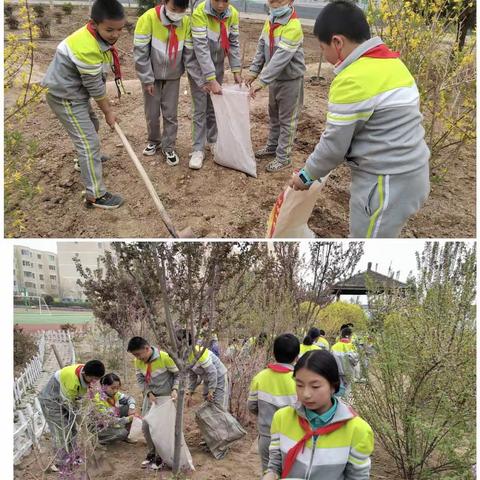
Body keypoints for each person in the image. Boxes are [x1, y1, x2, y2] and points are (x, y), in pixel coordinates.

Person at [289, 0, 430, 238]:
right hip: (413, 174)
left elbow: (334, 146)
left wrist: (306, 175)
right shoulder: (394, 64)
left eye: (323, 49)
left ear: (337, 42)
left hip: (386, 184)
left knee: (367, 241)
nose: (326, 56)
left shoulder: (353, 78)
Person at [41, 0, 126, 209]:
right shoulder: (86, 46)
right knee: (89, 143)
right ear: (94, 23)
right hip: (65, 96)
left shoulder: (95, 36)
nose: (115, 35)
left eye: (120, 29)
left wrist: (104, 113)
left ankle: (84, 162)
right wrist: (108, 111)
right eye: (110, 30)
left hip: (76, 93)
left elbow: (95, 82)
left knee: (92, 125)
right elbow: (96, 88)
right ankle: (95, 195)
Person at [263, 350, 373, 479]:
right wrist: (271, 475)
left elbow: (357, 477)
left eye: (315, 386)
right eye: (299, 385)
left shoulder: (358, 430)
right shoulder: (281, 418)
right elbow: (275, 464)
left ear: (333, 386)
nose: (306, 394)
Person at [133, 0, 204, 165]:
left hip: (173, 76)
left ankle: (169, 146)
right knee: (151, 112)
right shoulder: (148, 18)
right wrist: (147, 78)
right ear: (164, 2)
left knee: (170, 114)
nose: (177, 13)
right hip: (151, 76)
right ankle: (153, 141)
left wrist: (200, 79)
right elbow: (140, 52)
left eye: (182, 9)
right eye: (173, 8)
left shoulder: (185, 22)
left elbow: (189, 54)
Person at [246, 0, 305, 172]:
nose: (275, 4)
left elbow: (280, 59)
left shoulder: (293, 25)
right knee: (274, 116)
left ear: (290, 1)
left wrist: (262, 81)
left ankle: (283, 157)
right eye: (272, 0)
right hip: (275, 80)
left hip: (291, 81)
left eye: (280, 0)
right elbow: (261, 47)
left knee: (287, 120)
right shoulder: (270, 20)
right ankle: (272, 146)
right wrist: (253, 71)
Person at [189, 0, 242, 169]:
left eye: (225, 1)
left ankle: (212, 141)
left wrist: (236, 70)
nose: (220, 5)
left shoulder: (232, 13)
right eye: (217, 0)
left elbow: (233, 42)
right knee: (200, 108)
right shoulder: (199, 13)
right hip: (198, 67)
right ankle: (197, 149)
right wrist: (210, 79)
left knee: (213, 107)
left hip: (217, 65)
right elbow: (201, 48)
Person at [38, 360, 105, 471]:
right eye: (92, 379)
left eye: (96, 379)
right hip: (51, 401)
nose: (94, 382)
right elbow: (68, 402)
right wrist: (80, 420)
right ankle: (61, 463)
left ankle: (73, 456)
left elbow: (78, 399)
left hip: (67, 400)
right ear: (84, 374)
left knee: (73, 430)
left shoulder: (88, 370)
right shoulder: (72, 379)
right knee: (61, 431)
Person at [247, 333, 299, 474]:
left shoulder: (260, 377)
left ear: (273, 353)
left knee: (268, 472)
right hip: (294, 439)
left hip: (267, 437)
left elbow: (251, 406)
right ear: (296, 356)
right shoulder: (300, 381)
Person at [127, 336, 179, 470]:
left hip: (166, 399)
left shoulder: (165, 357)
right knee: (146, 426)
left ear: (147, 348)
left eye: (138, 354)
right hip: (150, 398)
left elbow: (178, 374)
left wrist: (175, 389)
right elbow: (140, 378)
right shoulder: (138, 361)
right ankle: (151, 453)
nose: (137, 358)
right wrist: (148, 392)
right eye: (135, 355)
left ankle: (161, 456)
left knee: (161, 429)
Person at [178, 329, 229, 410]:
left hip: (219, 377)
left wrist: (211, 391)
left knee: (218, 406)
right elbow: (192, 375)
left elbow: (213, 372)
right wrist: (190, 392)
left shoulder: (198, 352)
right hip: (208, 379)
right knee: (208, 404)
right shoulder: (186, 356)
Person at [92, 373, 136, 444]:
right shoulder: (98, 400)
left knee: (128, 407)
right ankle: (99, 440)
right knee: (122, 433)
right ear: (104, 386)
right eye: (113, 388)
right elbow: (108, 420)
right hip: (101, 427)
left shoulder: (115, 394)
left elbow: (130, 398)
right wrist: (127, 419)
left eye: (117, 388)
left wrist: (131, 408)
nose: (115, 390)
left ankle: (126, 435)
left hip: (112, 419)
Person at [331, 327, 359, 398]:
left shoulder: (334, 347)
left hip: (337, 373)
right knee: (348, 391)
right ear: (350, 336)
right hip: (349, 373)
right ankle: (346, 406)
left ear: (341, 335)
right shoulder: (353, 347)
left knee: (337, 392)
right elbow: (355, 361)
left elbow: (331, 361)